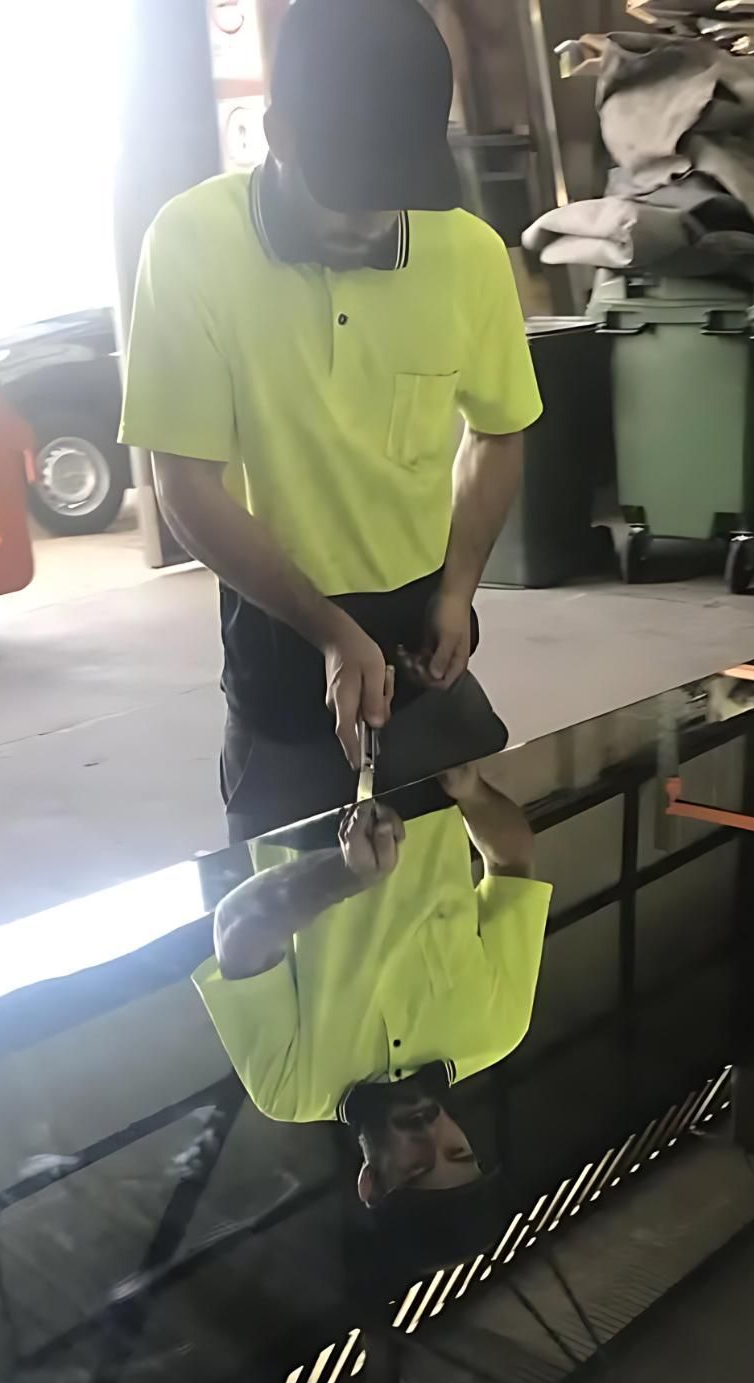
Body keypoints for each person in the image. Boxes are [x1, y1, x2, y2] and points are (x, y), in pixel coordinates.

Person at [119, 0, 543, 841]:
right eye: (347, 196)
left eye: (392, 199)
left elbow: (498, 432)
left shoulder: (462, 253)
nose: (369, 225)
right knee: (278, 886)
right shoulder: (193, 243)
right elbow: (186, 486)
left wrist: (457, 590)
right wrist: (328, 631)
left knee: (451, 843)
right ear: (279, 135)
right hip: (278, 624)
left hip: (427, 620)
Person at [192, 769, 549, 1219]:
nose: (431, 1134)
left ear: (371, 1181)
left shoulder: (291, 1090)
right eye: (457, 1152)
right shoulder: (501, 1028)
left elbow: (237, 928)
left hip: (290, 799)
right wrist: (473, 791)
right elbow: (513, 865)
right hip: (426, 776)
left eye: (417, 1165)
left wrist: (344, 875)